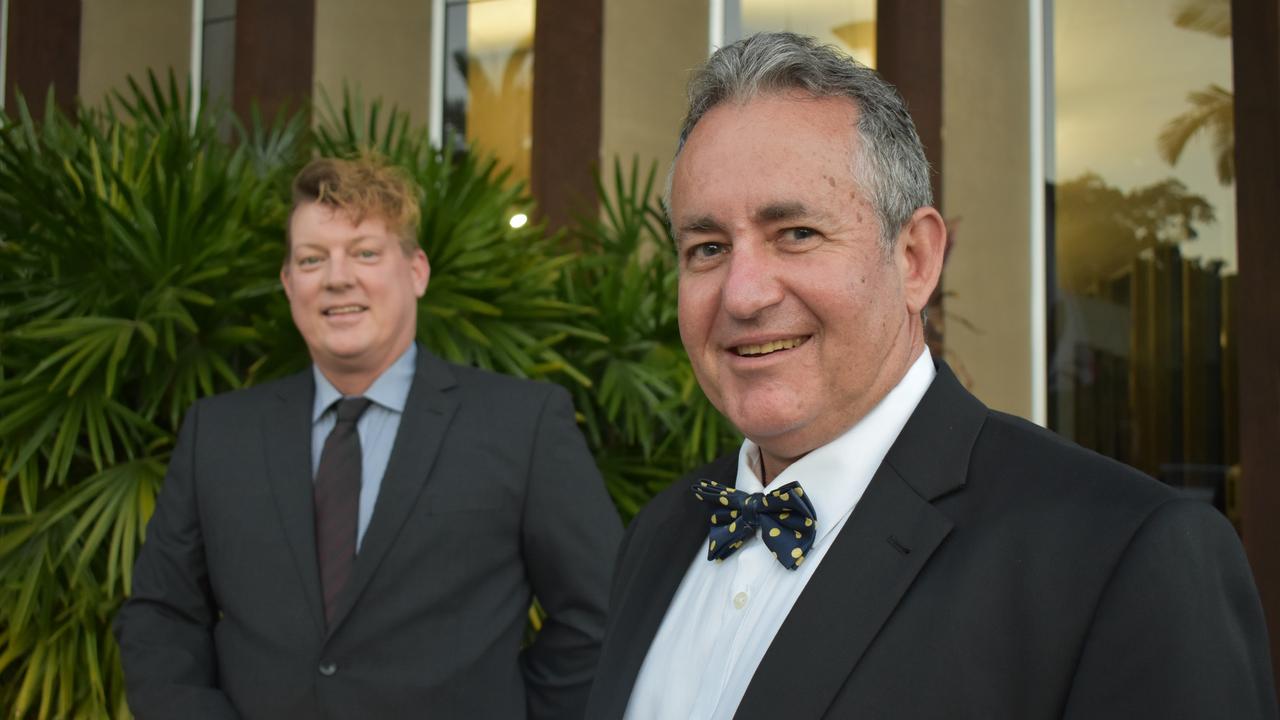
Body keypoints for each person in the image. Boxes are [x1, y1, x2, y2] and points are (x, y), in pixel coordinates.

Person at [585, 32, 1278, 719]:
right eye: (706, 248)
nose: (743, 294)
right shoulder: (661, 534)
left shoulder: (1121, 557)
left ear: (914, 258)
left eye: (796, 233)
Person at [115, 156, 621, 719]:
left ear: (417, 271)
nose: (337, 277)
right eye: (312, 259)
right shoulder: (218, 434)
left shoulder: (521, 425)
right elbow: (161, 616)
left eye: (365, 252)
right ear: (287, 283)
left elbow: (598, 614)